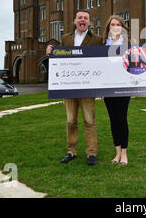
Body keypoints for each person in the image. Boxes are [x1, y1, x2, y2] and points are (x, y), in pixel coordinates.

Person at [46, 10, 102, 166]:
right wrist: (51, 52)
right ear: (75, 21)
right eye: (80, 18)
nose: (82, 20)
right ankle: (71, 151)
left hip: (87, 88)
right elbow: (60, 59)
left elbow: (105, 60)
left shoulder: (97, 39)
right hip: (69, 88)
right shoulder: (66, 38)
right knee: (71, 121)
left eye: (85, 18)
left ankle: (91, 153)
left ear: (89, 23)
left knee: (89, 121)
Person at [101, 15, 134, 166]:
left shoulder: (129, 44)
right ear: (108, 27)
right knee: (113, 120)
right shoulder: (104, 45)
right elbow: (101, 68)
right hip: (108, 88)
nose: (114, 27)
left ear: (122, 27)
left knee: (122, 119)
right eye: (112, 24)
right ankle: (117, 153)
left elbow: (137, 63)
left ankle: (125, 154)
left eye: (117, 24)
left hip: (123, 87)